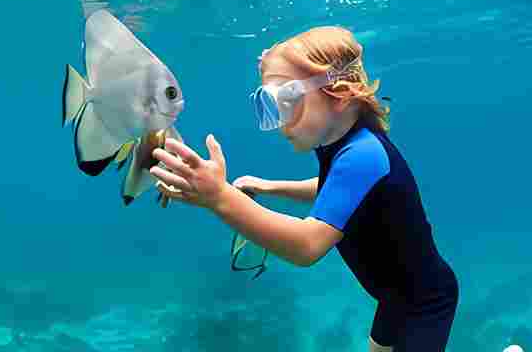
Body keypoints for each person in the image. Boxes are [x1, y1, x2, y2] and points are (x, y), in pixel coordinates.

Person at [149, 26, 459, 352]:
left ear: (339, 93)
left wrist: (218, 197)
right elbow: (339, 193)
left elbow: (306, 246)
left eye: (288, 101)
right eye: (271, 105)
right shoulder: (343, 146)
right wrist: (271, 187)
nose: (281, 121)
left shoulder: (361, 155)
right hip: (395, 296)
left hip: (424, 302)